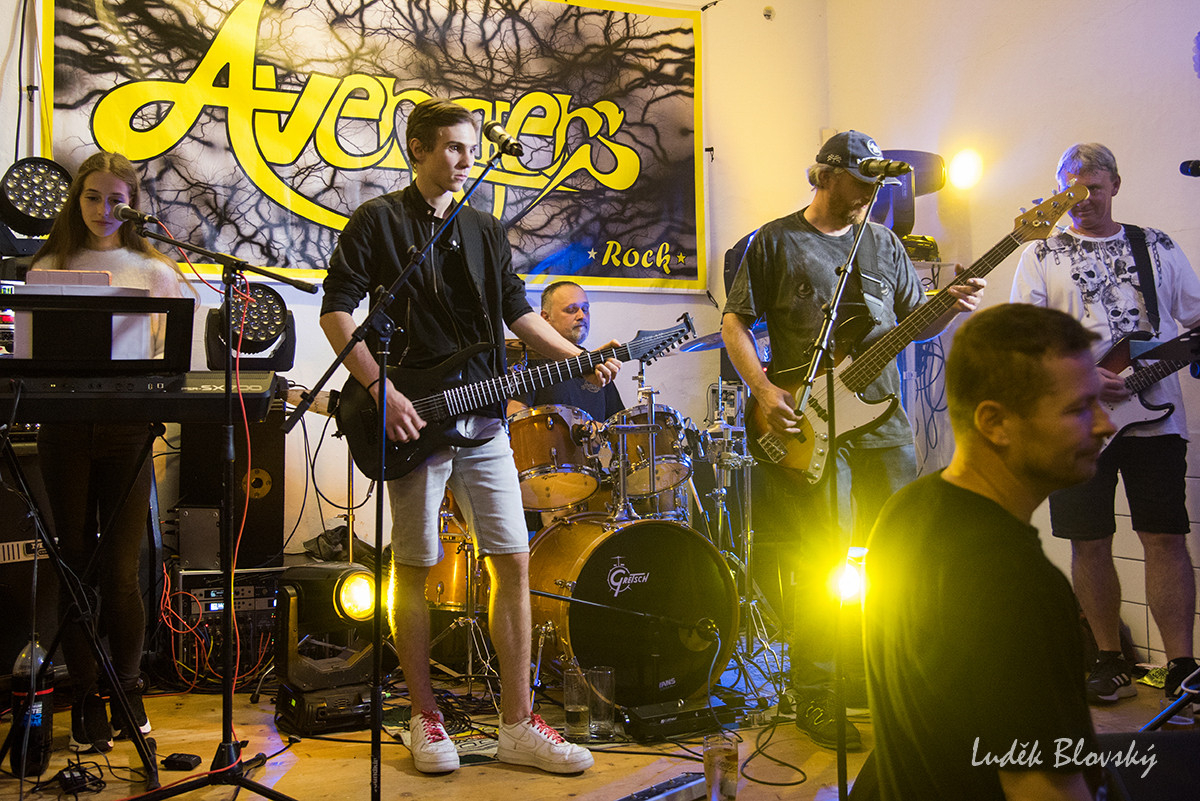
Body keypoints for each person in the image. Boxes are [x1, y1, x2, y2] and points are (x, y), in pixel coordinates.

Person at [320, 98, 617, 775]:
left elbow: (517, 312)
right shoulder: (378, 221)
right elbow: (336, 312)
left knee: (512, 559)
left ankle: (517, 722)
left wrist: (576, 356)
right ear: (419, 149)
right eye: (453, 147)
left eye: (471, 149)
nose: (465, 160)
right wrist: (381, 389)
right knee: (415, 565)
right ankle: (423, 717)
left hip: (482, 419)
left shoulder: (483, 228)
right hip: (412, 417)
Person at [721, 130, 985, 749]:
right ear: (826, 175)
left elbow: (914, 326)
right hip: (816, 425)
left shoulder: (884, 243)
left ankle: (894, 679)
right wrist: (764, 390)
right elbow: (734, 323)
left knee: (902, 551)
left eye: (876, 182)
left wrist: (947, 306)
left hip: (885, 423)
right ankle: (817, 691)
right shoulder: (775, 240)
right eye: (861, 180)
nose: (870, 193)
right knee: (827, 559)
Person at [863, 303, 1112, 800]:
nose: (1104, 424)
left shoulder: (905, 510)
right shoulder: (1014, 580)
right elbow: (1043, 789)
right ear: (995, 422)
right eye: (1079, 409)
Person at [1011, 143, 1200, 710]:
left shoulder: (1156, 245)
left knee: (1165, 535)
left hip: (1156, 418)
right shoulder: (1041, 253)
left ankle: (1182, 666)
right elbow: (1025, 339)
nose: (1082, 198)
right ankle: (1109, 659)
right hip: (1074, 421)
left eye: (1092, 187)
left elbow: (1193, 319)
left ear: (1115, 184)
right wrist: (1085, 376)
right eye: (1070, 188)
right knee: (1089, 540)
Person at [31, 151, 191, 752]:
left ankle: (128, 692)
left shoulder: (155, 271)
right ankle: (84, 699)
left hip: (127, 432)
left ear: (133, 206)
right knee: (73, 566)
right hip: (64, 432)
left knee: (122, 572)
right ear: (77, 200)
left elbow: (173, 361)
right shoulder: (49, 265)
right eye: (92, 197)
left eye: (115, 200)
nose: (103, 210)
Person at [508, 280, 624, 422]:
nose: (581, 316)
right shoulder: (526, 359)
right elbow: (514, 417)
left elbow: (618, 424)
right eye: (571, 310)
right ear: (546, 318)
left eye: (585, 309)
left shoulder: (596, 364)